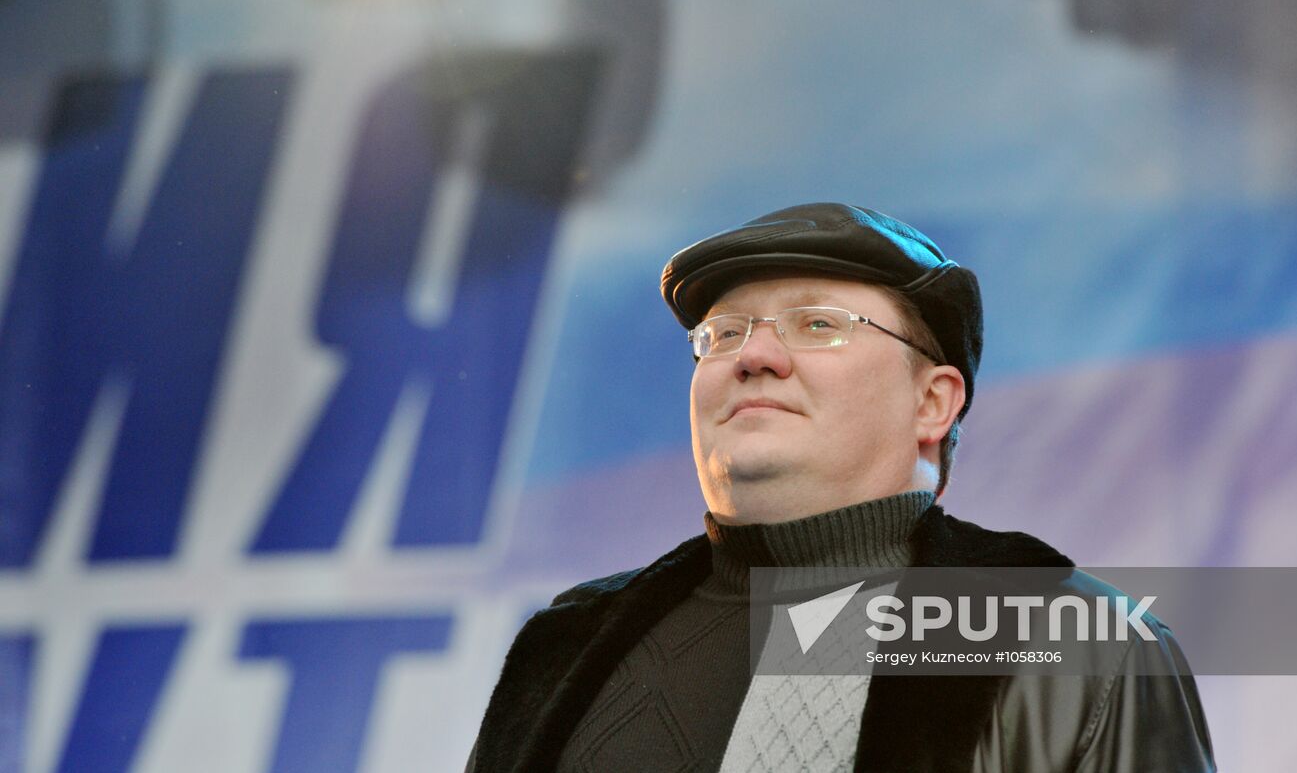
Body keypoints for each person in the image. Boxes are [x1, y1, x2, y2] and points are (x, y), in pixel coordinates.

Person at [467, 202, 1214, 772]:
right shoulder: (563, 647)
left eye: (817, 323)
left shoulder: (1082, 645)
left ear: (933, 402)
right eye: (723, 332)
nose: (753, 353)